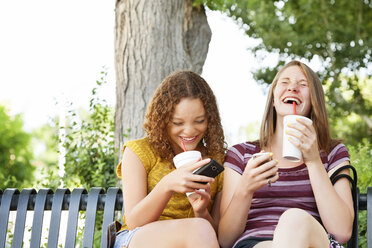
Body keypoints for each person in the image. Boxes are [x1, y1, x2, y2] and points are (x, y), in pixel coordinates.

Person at [218, 60, 354, 248]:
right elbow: (225, 240)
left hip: (313, 242)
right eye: (285, 82)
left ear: (314, 100)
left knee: (294, 220)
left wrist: (314, 160)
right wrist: (245, 189)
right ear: (273, 100)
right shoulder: (241, 154)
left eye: (303, 84)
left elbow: (342, 231)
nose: (292, 87)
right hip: (255, 244)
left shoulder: (333, 153)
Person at [114, 70, 227, 248]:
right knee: (198, 229)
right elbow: (135, 221)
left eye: (199, 121)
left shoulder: (216, 161)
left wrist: (202, 211)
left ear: (210, 120)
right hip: (136, 239)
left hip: (196, 239)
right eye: (178, 123)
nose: (189, 131)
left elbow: (217, 237)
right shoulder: (139, 152)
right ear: (162, 120)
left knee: (201, 228)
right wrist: (167, 185)